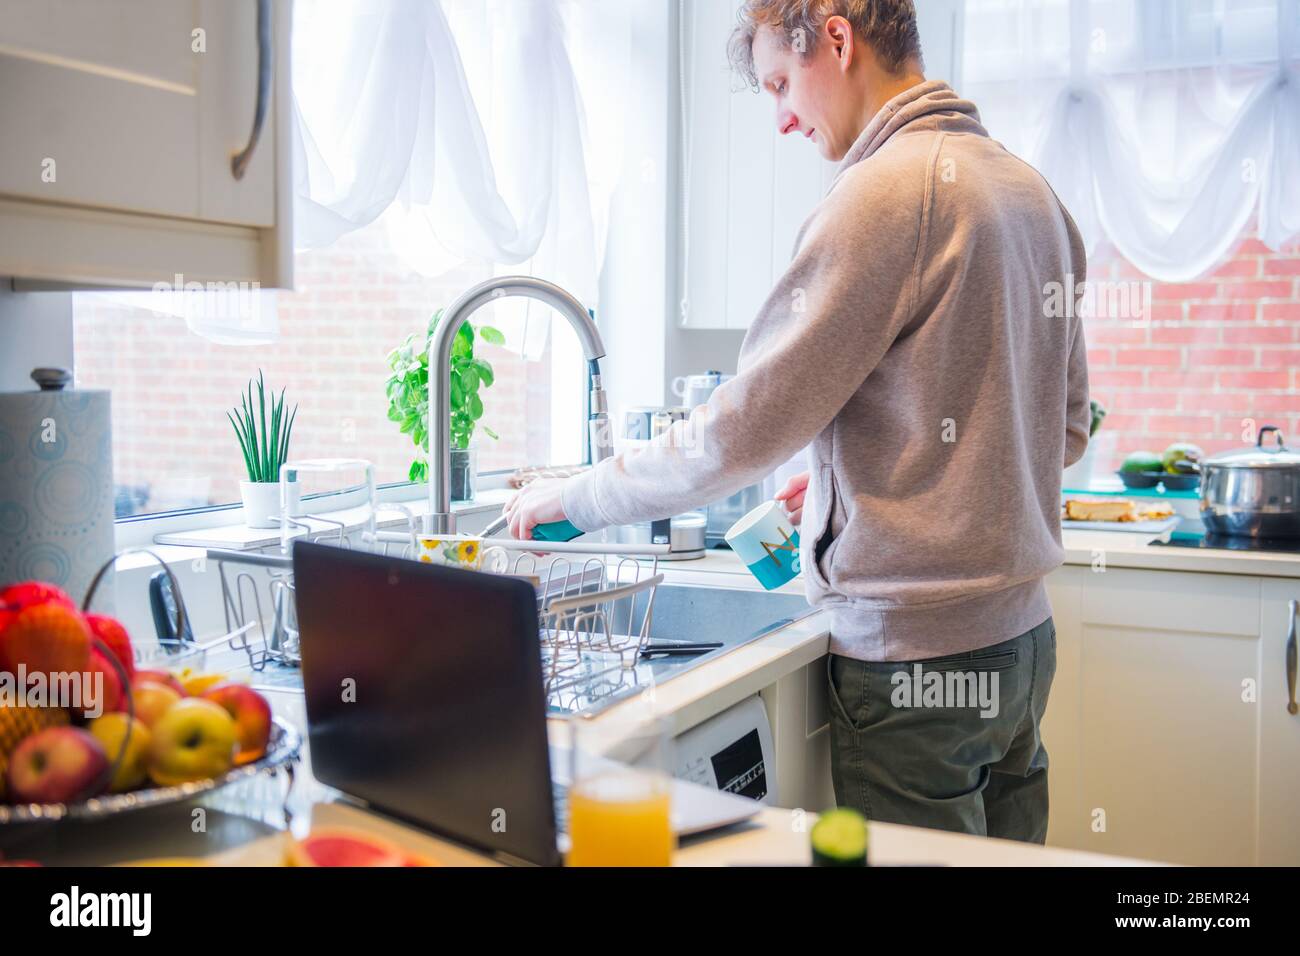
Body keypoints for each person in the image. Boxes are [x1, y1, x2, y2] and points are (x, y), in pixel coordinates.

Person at [504, 0, 1089, 843]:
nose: (781, 117)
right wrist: (856, 473)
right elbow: (1062, 428)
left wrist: (578, 497)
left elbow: (739, 431)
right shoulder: (1032, 194)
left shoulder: (880, 197)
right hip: (1022, 645)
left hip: (912, 656)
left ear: (838, 39)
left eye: (782, 81)